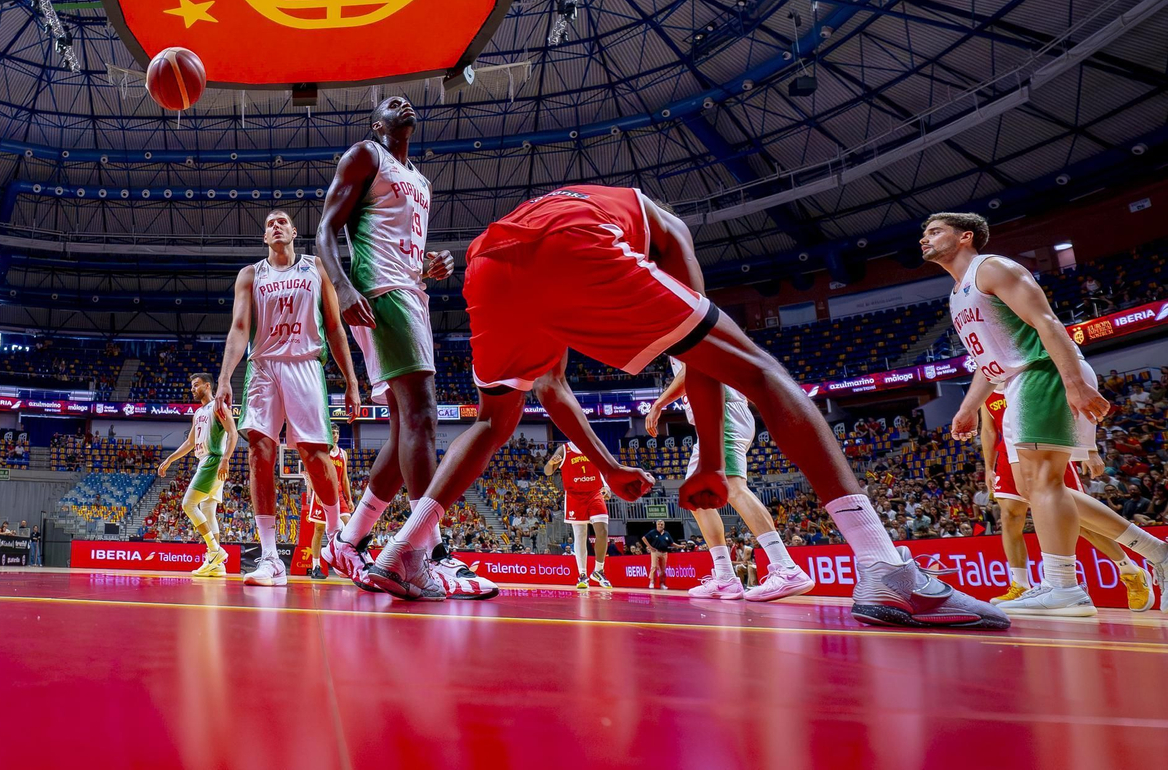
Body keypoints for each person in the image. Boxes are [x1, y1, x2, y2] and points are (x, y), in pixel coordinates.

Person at [366, 184, 1007, 629]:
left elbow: (551, 387)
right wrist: (705, 457)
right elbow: (700, 353)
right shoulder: (664, 226)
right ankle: (884, 568)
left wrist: (614, 465)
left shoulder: (569, 213)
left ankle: (404, 551)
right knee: (762, 370)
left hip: (487, 261)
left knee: (491, 420)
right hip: (571, 241)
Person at [929, 211, 1168, 616]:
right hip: (1021, 379)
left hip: (1044, 371)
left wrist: (1073, 381)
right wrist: (969, 406)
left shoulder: (992, 268)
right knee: (1034, 487)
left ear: (965, 236)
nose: (925, 239)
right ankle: (1156, 552)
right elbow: (992, 361)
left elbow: (1047, 321)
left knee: (1043, 481)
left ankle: (1064, 587)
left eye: (935, 232)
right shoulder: (957, 294)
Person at [316, 96, 490, 598]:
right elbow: (327, 228)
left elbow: (403, 242)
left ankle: (347, 542)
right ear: (378, 123)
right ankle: (425, 554)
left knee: (402, 430)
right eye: (392, 103)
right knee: (422, 416)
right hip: (379, 290)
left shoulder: (421, 180)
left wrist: (433, 263)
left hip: (409, 288)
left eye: (407, 99)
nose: (404, 101)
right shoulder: (366, 155)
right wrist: (345, 288)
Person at [215, 209, 360, 587]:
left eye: (282, 221)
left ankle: (335, 537)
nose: (275, 226)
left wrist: (351, 382)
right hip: (263, 367)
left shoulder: (316, 267)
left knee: (314, 454)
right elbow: (239, 328)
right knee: (259, 451)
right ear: (265, 237)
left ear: (295, 231)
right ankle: (269, 559)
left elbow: (334, 327)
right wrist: (225, 378)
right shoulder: (251, 275)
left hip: (305, 364)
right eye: (268, 224)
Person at [649, 357, 814, 602]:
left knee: (734, 487)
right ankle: (725, 577)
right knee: (697, 498)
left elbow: (693, 368)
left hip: (721, 412)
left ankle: (786, 568)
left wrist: (659, 403)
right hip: (714, 415)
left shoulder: (677, 327)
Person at [978, 392, 1159, 611]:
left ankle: (1129, 570)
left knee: (1079, 521)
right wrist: (989, 468)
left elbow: (1076, 391)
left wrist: (1089, 449)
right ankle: (1021, 585)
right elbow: (988, 430)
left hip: (1044, 449)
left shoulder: (1032, 369)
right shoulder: (987, 380)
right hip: (1008, 454)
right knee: (1009, 517)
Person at [159, 373, 237, 577]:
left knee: (188, 504)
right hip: (206, 460)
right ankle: (217, 565)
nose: (192, 389)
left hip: (213, 460)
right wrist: (170, 459)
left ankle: (214, 550)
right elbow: (190, 442)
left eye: (196, 385)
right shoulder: (199, 412)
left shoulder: (218, 406)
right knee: (208, 512)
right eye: (192, 386)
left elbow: (233, 433)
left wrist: (226, 459)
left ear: (208, 386)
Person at [543, 423, 612, 589]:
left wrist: (607, 486)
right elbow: (547, 471)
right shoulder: (564, 449)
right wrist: (552, 463)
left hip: (595, 492)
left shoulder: (594, 447)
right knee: (580, 535)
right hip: (575, 496)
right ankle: (582, 574)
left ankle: (598, 571)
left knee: (602, 531)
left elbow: (604, 469)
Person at [299, 423, 353, 579]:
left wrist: (349, 499)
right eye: (332, 432)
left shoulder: (343, 454)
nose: (335, 435)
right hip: (322, 493)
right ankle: (315, 566)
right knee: (319, 530)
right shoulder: (321, 452)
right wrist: (316, 491)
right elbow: (313, 473)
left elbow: (344, 478)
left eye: (337, 433)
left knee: (349, 528)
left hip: (339, 494)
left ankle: (347, 564)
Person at [640, 520, 675, 591]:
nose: (660, 525)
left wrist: (680, 546)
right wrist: (650, 547)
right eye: (659, 524)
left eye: (662, 524)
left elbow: (672, 543)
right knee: (654, 567)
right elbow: (644, 538)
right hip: (655, 551)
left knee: (663, 570)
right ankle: (652, 582)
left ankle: (662, 584)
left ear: (664, 525)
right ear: (656, 525)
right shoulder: (653, 532)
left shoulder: (666, 533)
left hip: (664, 552)